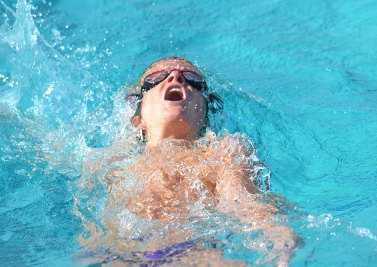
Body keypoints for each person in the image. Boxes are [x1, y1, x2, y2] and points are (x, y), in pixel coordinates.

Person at [103, 56, 298, 266]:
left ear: (205, 113)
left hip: (191, 254)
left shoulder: (223, 152)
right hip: (117, 253)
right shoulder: (111, 159)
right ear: (137, 120)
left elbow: (242, 201)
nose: (175, 77)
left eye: (192, 79)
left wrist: (275, 231)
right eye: (157, 78)